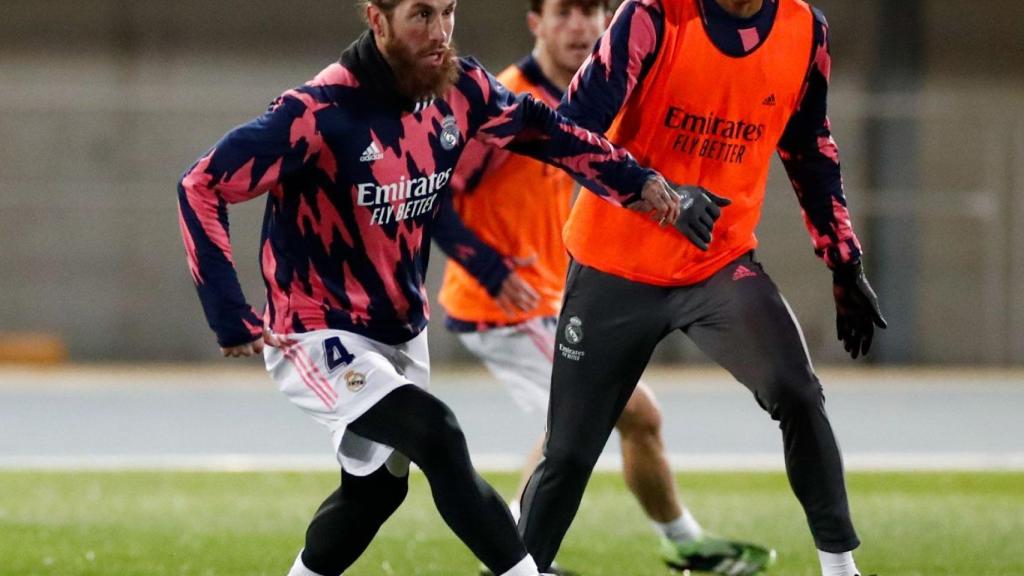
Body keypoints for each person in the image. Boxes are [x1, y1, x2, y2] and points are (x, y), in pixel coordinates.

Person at [175, 1, 682, 575]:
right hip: (317, 331)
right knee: (436, 434)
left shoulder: (459, 88)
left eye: (448, 12)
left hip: (399, 330)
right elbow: (201, 185)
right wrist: (228, 311)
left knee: (375, 496)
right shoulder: (317, 111)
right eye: (420, 15)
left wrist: (632, 179)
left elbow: (544, 130)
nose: (440, 33)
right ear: (377, 19)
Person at [513, 1, 887, 576]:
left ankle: (841, 570)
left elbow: (809, 149)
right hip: (615, 264)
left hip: (716, 263)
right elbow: (569, 133)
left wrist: (843, 260)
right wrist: (651, 188)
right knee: (566, 453)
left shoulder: (804, 30)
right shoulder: (652, 14)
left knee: (797, 391)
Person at [432, 1, 774, 574]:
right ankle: (516, 560)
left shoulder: (599, 98)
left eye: (592, 10)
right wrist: (491, 269)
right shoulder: (508, 102)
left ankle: (683, 542)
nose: (582, 26)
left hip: (548, 299)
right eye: (564, 12)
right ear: (535, 23)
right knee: (582, 420)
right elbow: (434, 193)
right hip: (501, 306)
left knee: (635, 419)